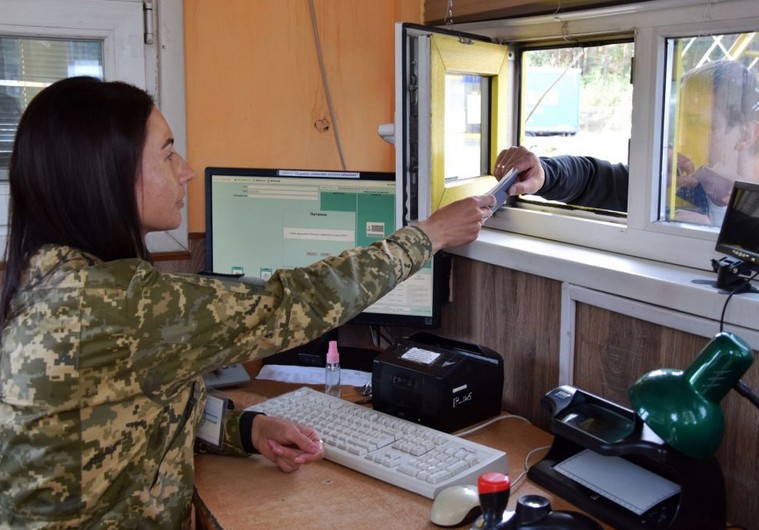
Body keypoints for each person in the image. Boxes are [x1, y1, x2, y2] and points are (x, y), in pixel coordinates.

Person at [0, 76, 495, 529]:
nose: (187, 171)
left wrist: (247, 429)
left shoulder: (53, 278)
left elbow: (129, 424)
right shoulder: (113, 306)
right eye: (168, 154)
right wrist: (427, 236)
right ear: (105, 177)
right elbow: (292, 302)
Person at [494, 60, 759, 244]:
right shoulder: (684, 179)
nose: (677, 137)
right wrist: (545, 172)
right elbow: (597, 178)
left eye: (696, 123)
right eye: (677, 122)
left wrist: (716, 233)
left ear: (745, 134)